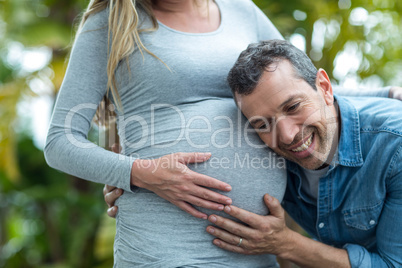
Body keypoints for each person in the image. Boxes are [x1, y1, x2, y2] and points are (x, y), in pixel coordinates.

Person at [45, 0, 397, 266]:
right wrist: (141, 174)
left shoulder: (240, 9)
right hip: (164, 246)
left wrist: (388, 94)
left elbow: (298, 80)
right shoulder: (110, 23)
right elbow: (60, 142)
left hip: (257, 249)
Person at [201, 39, 402, 267]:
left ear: (324, 89)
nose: (286, 136)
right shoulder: (268, 153)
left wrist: (285, 244)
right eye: (263, 124)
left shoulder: (395, 146)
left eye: (293, 107)